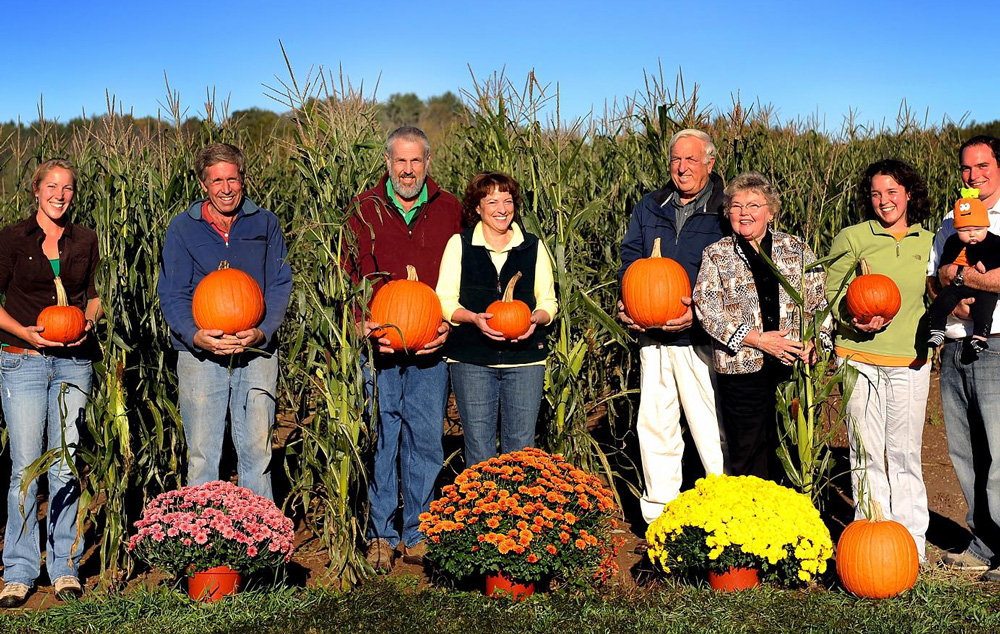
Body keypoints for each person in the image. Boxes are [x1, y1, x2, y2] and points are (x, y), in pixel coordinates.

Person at [346, 126, 462, 572]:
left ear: (427, 163)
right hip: (378, 345)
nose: (408, 170)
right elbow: (345, 271)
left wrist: (450, 324)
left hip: (431, 342)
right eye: (400, 161)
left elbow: (465, 275)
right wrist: (359, 322)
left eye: (416, 162)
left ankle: (418, 530)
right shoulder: (365, 208)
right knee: (381, 436)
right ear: (387, 163)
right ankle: (380, 532)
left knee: (426, 437)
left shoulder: (450, 208)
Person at [157, 143, 292, 501]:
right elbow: (172, 293)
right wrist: (196, 335)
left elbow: (279, 285)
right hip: (200, 355)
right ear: (204, 184)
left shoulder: (265, 222)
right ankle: (204, 546)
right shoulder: (184, 229)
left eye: (232, 178)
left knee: (257, 453)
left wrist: (262, 331)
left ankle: (260, 546)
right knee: (203, 456)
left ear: (243, 179)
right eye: (217, 180)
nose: (226, 188)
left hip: (256, 353)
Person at [0, 159, 102, 606]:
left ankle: (65, 567)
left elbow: (93, 297)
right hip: (23, 359)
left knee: (64, 462)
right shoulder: (12, 238)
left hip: (74, 362)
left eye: (68, 188)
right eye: (52, 187)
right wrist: (23, 332)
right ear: (36, 191)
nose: (60, 195)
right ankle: (20, 570)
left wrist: (88, 323)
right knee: (25, 467)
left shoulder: (85, 239)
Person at [617, 128, 726, 525]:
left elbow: (734, 271)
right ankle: (660, 517)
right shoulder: (650, 205)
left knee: (710, 427)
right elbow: (631, 256)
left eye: (691, 160)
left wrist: (699, 312)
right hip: (653, 335)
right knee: (655, 424)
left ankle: (724, 514)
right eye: (676, 160)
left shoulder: (725, 209)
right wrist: (626, 302)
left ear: (709, 164)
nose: (682, 168)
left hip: (701, 339)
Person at [826, 159, 934, 559]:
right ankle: (872, 540)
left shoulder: (929, 240)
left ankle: (911, 544)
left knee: (905, 452)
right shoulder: (854, 237)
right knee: (866, 448)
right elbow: (832, 292)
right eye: (876, 193)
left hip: (910, 360)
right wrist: (852, 317)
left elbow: (935, 291)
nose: (884, 201)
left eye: (892, 192)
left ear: (908, 194)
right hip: (858, 356)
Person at [693, 171, 830, 481]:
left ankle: (795, 521)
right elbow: (707, 309)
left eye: (754, 205)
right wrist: (756, 339)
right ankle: (754, 523)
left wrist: (817, 345)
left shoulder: (796, 250)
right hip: (743, 372)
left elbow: (819, 303)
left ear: (771, 210)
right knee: (748, 455)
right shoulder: (717, 255)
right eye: (737, 206)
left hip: (792, 368)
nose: (745, 213)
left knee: (795, 451)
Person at [436, 172, 557, 467]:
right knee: (479, 448)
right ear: (477, 207)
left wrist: (534, 320)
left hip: (525, 363)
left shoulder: (532, 246)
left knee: (521, 449)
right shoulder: (460, 245)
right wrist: (474, 318)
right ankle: (482, 511)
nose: (502, 209)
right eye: (492, 201)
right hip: (472, 362)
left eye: (507, 200)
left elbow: (548, 303)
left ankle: (518, 513)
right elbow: (445, 301)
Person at [929, 135, 1000, 580]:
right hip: (955, 346)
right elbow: (936, 276)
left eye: (983, 166)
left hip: (995, 342)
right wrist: (950, 298)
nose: (974, 176)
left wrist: (968, 281)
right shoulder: (948, 219)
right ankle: (983, 540)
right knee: (965, 450)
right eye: (966, 169)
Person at [927, 191, 1000, 356]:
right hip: (957, 287)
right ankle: (937, 330)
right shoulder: (952, 241)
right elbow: (944, 265)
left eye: (978, 229)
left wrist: (986, 263)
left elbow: (998, 256)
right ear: (957, 229)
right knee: (941, 301)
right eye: (965, 230)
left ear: (986, 226)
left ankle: (980, 337)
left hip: (984, 289)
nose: (972, 234)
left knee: (986, 306)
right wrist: (946, 271)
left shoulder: (993, 240)